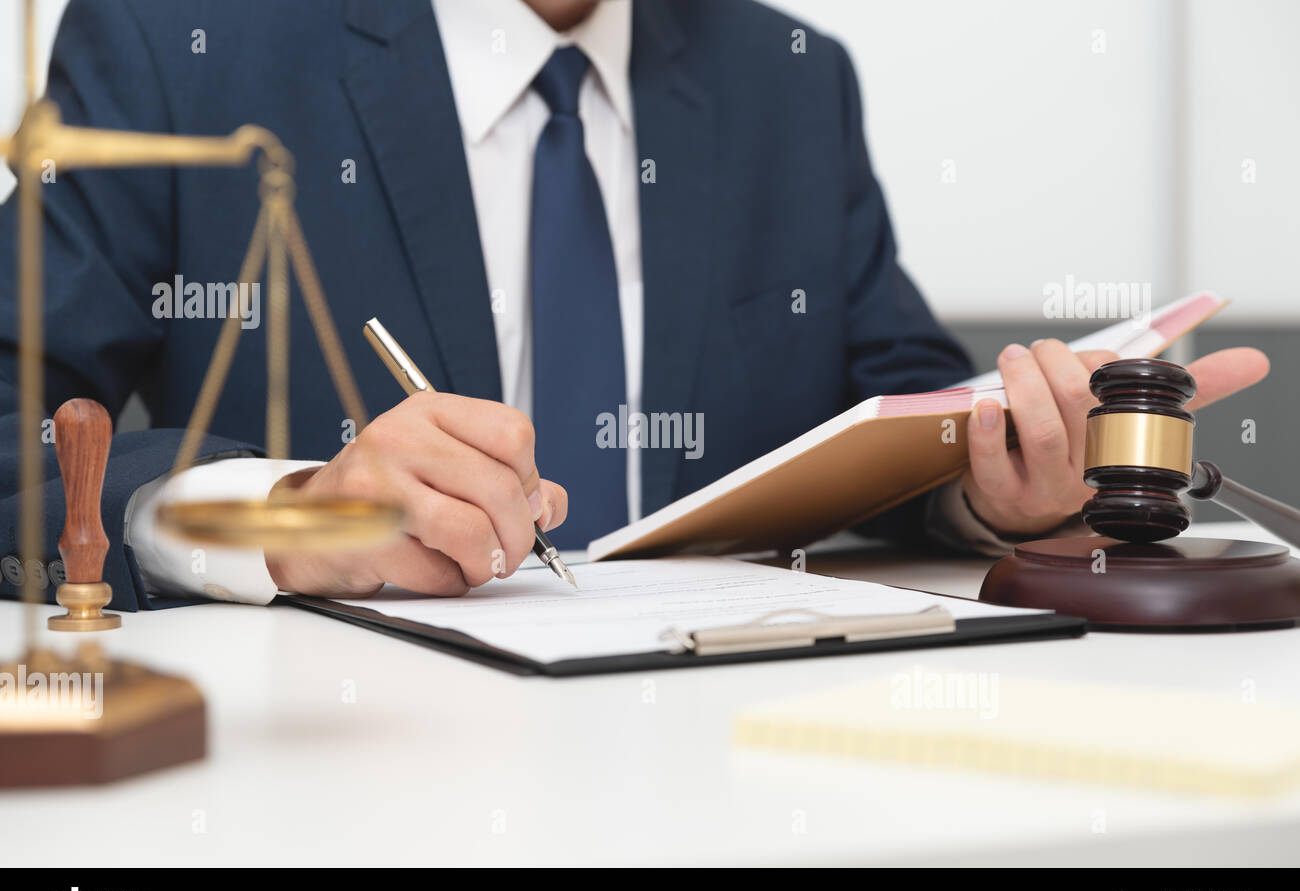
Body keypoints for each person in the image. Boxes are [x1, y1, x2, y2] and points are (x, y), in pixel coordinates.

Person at [0, 0, 1267, 608]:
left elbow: (904, 406)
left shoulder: (790, 83)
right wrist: (270, 521)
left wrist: (997, 478)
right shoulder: (178, 44)